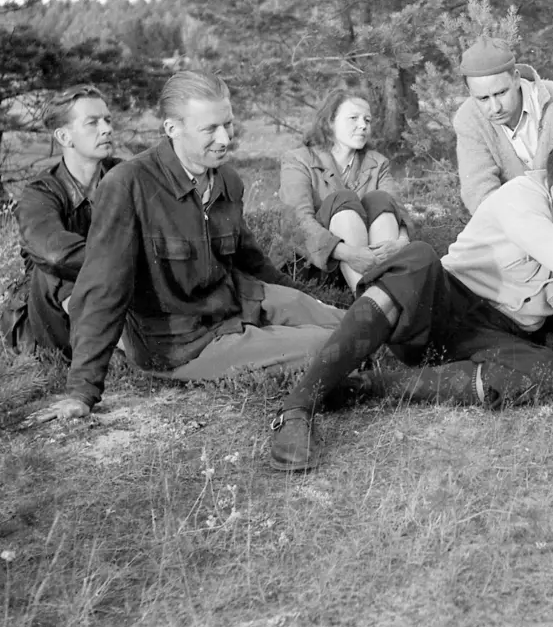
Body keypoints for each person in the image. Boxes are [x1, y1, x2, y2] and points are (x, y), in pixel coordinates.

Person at [269, 133, 553, 473]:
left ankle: (369, 387)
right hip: (442, 303)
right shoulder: (520, 199)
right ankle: (298, 407)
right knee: (417, 258)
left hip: (496, 333)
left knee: (545, 371)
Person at [25, 71, 345, 426]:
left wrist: (305, 298)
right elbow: (103, 287)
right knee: (332, 344)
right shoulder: (129, 185)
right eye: (210, 129)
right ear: (172, 128)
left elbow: (250, 259)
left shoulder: (227, 179)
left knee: (351, 321)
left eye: (228, 124)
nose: (224, 139)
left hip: (236, 302)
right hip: (184, 341)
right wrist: (82, 391)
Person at [6, 86, 123, 355]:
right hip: (52, 316)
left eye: (108, 120)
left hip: (116, 294)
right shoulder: (40, 193)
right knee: (51, 268)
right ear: (64, 136)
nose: (106, 129)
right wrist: (124, 260)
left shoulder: (124, 175)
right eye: (92, 123)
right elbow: (54, 254)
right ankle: (113, 345)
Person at [279, 85, 413, 292]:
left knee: (381, 200)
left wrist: (402, 243)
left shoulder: (378, 163)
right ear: (330, 122)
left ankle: (380, 299)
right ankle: (372, 301)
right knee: (343, 200)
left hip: (372, 262)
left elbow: (399, 212)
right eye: (353, 118)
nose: (363, 125)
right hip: (314, 266)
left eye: (367, 120)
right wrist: (348, 253)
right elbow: (297, 222)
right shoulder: (298, 160)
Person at [452, 36, 553, 214]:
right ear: (470, 92)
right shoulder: (468, 120)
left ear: (516, 78)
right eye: (483, 98)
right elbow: (479, 193)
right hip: (512, 225)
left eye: (501, 93)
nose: (495, 107)